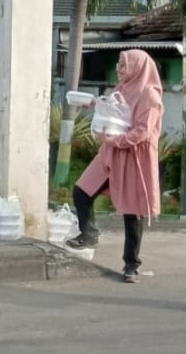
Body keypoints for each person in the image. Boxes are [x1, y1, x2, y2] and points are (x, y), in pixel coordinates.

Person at [66, 49, 163, 283]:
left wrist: (115, 140)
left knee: (132, 210)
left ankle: (131, 264)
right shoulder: (121, 89)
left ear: (138, 67)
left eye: (124, 65)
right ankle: (89, 234)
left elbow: (143, 131)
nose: (119, 70)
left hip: (133, 157)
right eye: (119, 65)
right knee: (82, 191)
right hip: (110, 153)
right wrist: (95, 105)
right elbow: (113, 111)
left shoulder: (150, 96)